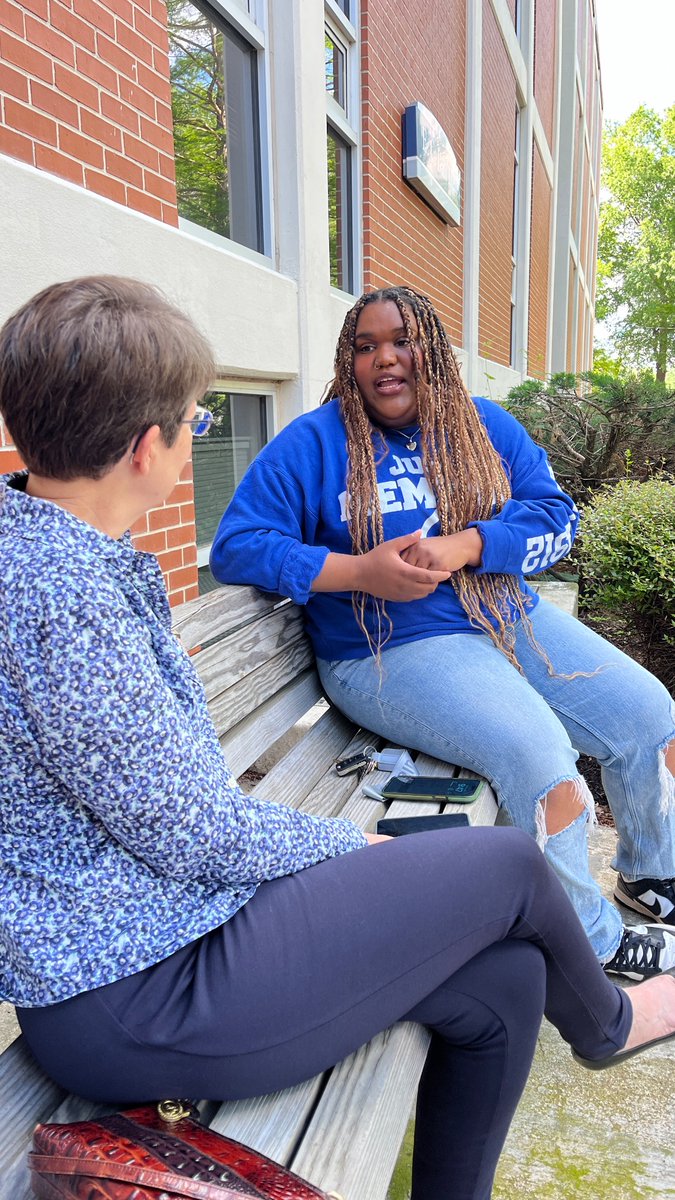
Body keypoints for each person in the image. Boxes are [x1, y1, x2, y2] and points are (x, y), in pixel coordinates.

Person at [2, 277, 674, 1200]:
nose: (195, 439)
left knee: (508, 981)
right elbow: (190, 832)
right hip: (137, 993)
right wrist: (346, 847)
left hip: (169, 929)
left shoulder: (54, 555)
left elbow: (167, 818)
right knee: (505, 868)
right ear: (145, 446)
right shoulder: (61, 598)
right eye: (198, 425)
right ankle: (606, 1025)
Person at [211, 284, 675, 979]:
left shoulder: (482, 427)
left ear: (432, 349)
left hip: (507, 617)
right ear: (347, 360)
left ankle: (647, 873)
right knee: (538, 754)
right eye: (364, 347)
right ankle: (587, 940)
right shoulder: (313, 442)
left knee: (649, 717)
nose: (383, 359)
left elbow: (555, 517)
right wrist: (355, 570)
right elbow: (237, 547)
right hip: (388, 649)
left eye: (401, 340)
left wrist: (468, 545)